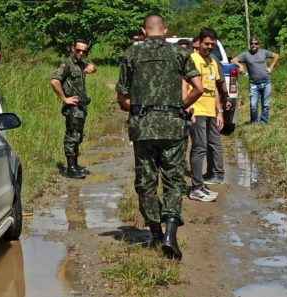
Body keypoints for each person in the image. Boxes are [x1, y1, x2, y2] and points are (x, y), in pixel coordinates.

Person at [117, 15, 202, 261]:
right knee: (174, 180)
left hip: (143, 128)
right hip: (173, 126)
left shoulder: (131, 55)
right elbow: (198, 87)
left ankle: (155, 232)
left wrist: (139, 107)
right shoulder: (179, 53)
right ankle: (170, 234)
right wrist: (179, 105)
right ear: (165, 30)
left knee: (146, 180)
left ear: (143, 31)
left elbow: (122, 98)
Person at [188, 28, 229, 200]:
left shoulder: (213, 61)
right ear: (199, 43)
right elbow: (183, 84)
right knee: (199, 148)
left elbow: (215, 90)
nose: (209, 47)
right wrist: (187, 108)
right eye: (206, 44)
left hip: (211, 110)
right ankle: (196, 187)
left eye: (212, 44)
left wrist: (219, 112)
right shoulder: (192, 59)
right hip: (197, 109)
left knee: (211, 144)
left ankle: (203, 184)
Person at [50, 39, 97, 179]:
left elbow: (93, 68)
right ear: (72, 49)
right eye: (78, 50)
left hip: (81, 107)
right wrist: (64, 98)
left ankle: (75, 165)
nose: (81, 53)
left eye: (84, 51)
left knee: (78, 136)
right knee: (72, 137)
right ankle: (70, 168)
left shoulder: (81, 63)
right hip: (73, 108)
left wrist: (93, 68)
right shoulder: (67, 64)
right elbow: (54, 81)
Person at [232, 37, 279, 123]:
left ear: (259, 45)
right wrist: (240, 66)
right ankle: (254, 122)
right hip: (254, 84)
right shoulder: (246, 55)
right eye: (252, 43)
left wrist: (271, 67)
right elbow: (233, 60)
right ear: (250, 45)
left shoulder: (264, 52)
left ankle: (264, 122)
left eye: (256, 43)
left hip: (266, 82)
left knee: (266, 105)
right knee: (253, 105)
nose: (254, 45)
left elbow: (276, 56)